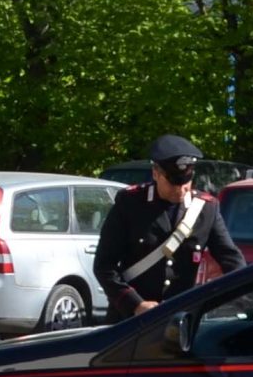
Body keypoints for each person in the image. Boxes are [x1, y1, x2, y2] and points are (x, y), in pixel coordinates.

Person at [93, 134, 244, 320]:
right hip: (130, 320)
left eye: (185, 182)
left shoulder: (206, 208)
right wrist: (135, 304)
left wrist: (244, 298)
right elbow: (104, 266)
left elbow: (231, 258)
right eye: (173, 182)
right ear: (156, 174)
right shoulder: (130, 204)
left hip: (180, 318)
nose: (180, 189)